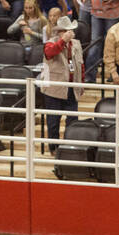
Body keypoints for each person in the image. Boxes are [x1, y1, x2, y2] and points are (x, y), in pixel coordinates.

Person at [39, 16, 83, 144]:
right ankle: (54, 146)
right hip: (54, 88)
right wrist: (62, 41)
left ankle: (69, 145)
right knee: (53, 120)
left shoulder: (76, 44)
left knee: (73, 118)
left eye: (70, 30)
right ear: (59, 32)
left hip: (72, 86)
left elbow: (81, 65)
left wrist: (81, 84)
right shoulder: (50, 43)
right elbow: (49, 53)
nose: (69, 33)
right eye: (65, 30)